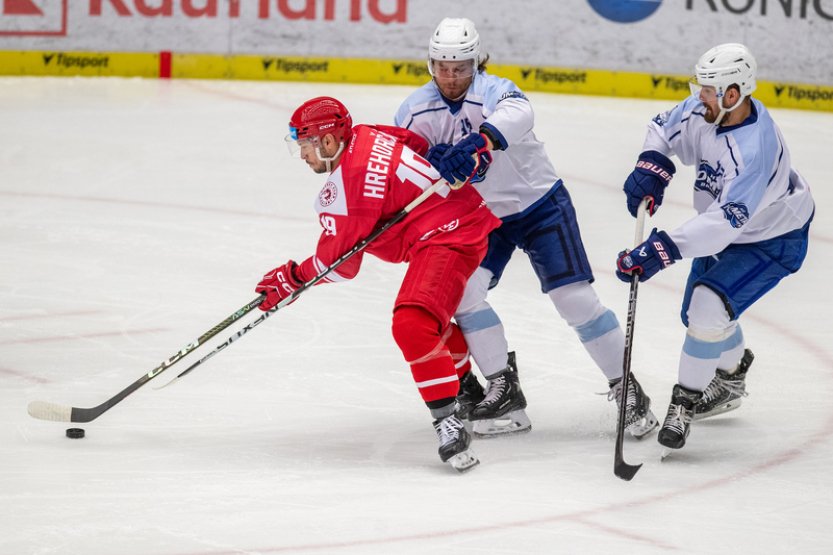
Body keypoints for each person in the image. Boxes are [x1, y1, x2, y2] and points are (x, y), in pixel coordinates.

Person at [395, 18, 659, 439]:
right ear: (430, 65)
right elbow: (406, 166)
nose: (450, 77)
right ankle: (504, 391)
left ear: (476, 63)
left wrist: (481, 141)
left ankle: (626, 387)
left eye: (460, 67)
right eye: (442, 67)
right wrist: (433, 169)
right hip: (482, 219)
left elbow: (521, 111)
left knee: (574, 300)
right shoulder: (415, 110)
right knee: (463, 294)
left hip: (540, 206)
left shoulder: (495, 90)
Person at [255, 96, 501, 472]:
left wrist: (292, 279)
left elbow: (338, 266)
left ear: (327, 142)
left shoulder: (346, 188)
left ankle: (447, 422)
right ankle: (465, 385)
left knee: (412, 324)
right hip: (458, 216)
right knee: (426, 323)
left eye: (305, 145)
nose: (302, 155)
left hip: (447, 235)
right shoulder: (368, 133)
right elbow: (418, 146)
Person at [615, 43, 815, 453]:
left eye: (709, 90)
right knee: (699, 316)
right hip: (723, 227)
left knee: (708, 307)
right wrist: (651, 164)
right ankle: (732, 374)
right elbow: (661, 127)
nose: (698, 96)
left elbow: (726, 224)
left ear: (734, 94)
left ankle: (684, 404)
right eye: (702, 87)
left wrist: (662, 248)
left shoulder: (753, 150)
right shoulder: (703, 107)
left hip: (771, 236)